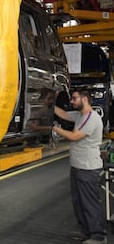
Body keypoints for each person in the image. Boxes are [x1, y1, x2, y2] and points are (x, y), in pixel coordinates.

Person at [53, 90, 107, 244]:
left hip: (87, 168)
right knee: (79, 203)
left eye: (74, 98)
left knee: (90, 203)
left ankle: (98, 236)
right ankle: (86, 231)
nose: (72, 101)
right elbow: (63, 113)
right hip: (77, 166)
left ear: (85, 99)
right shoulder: (81, 116)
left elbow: (74, 136)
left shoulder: (91, 118)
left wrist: (55, 129)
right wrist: (50, 103)